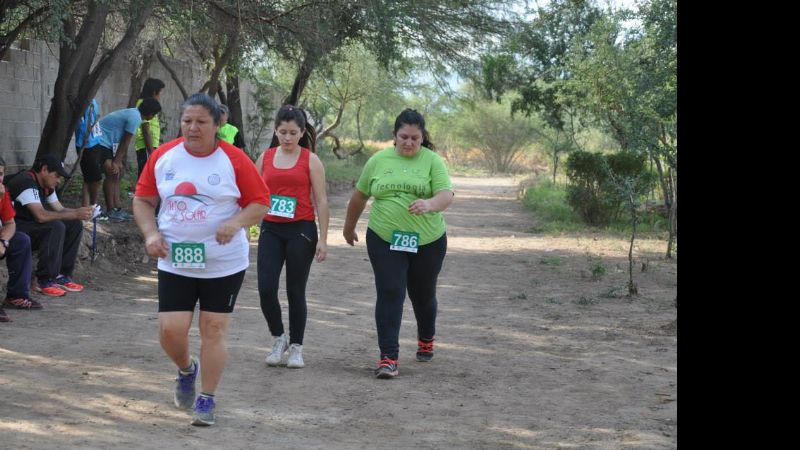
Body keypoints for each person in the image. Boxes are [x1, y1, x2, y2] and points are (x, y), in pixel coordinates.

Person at [133, 93, 269, 427]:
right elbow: (143, 200)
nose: (193, 128)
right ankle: (185, 369)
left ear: (216, 124)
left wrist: (235, 223)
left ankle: (207, 398)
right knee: (170, 330)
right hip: (175, 259)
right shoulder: (164, 156)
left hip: (223, 262)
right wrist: (151, 234)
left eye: (201, 122)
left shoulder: (233, 159)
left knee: (213, 329)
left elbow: (260, 202)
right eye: (187, 121)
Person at [342, 108, 454, 379]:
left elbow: (446, 194)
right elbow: (359, 197)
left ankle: (426, 336)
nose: (409, 143)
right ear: (394, 136)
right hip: (384, 237)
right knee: (391, 291)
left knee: (422, 293)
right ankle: (388, 358)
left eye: (415, 138)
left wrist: (429, 204)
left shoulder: (432, 161)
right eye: (403, 137)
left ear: (422, 138)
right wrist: (349, 227)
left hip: (427, 241)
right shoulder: (378, 160)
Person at [255, 105, 329, 369]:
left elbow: (321, 200)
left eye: (293, 133)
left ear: (301, 133)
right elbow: (254, 195)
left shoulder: (311, 160)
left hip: (301, 229)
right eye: (283, 132)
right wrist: (246, 225)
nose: (287, 137)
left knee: (295, 290)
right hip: (271, 229)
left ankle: (297, 346)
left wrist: (323, 238)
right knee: (265, 288)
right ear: (276, 131)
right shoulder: (265, 157)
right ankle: (279, 338)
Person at [6, 155, 93, 297]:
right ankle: (44, 280)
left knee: (74, 224)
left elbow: (60, 210)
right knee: (55, 227)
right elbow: (41, 216)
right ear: (45, 170)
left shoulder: (47, 186)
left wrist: (80, 213)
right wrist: (75, 213)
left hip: (28, 224)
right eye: (57, 175)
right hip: (13, 227)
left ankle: (62, 275)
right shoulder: (26, 182)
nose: (58, 180)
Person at [81, 98, 162, 221]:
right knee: (111, 171)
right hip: (100, 141)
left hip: (108, 144)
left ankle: (117, 208)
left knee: (118, 172)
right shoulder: (135, 117)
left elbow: (123, 141)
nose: (154, 116)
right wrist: (116, 162)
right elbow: (125, 141)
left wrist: (118, 161)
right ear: (150, 112)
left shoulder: (135, 114)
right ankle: (110, 210)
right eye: (154, 114)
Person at [0, 156, 39, 322]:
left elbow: (10, 224)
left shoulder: (3, 192)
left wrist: (4, 241)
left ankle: (16, 295)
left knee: (22, 240)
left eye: (0, 174)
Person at [134, 78, 166, 180]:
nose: (160, 96)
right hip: (146, 146)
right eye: (159, 93)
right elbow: (145, 129)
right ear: (153, 92)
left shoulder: (150, 103)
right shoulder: (144, 103)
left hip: (150, 146)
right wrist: (151, 152)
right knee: (146, 176)